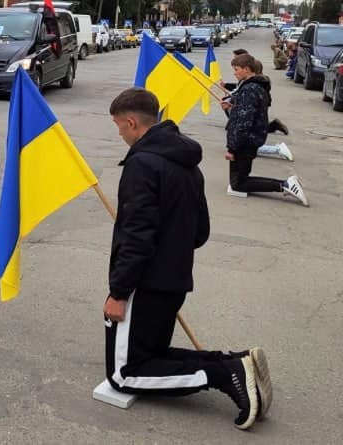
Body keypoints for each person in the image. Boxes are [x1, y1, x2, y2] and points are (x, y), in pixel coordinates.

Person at [105, 87, 272, 431]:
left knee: (126, 374)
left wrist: (119, 293)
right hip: (175, 278)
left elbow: (136, 237)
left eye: (119, 127)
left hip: (144, 284)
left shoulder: (142, 165)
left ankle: (224, 374)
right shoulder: (186, 162)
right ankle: (236, 363)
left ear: (132, 123)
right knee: (152, 354)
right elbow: (200, 232)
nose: (119, 133)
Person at [222, 54, 307, 205]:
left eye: (236, 69)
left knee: (238, 184)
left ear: (246, 69)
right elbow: (247, 113)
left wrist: (232, 149)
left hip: (245, 142)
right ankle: (284, 185)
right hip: (251, 139)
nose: (234, 73)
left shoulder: (249, 89)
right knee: (238, 181)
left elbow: (243, 123)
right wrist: (233, 107)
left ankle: (284, 185)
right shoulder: (257, 86)